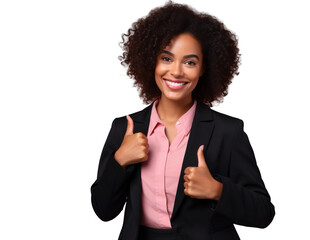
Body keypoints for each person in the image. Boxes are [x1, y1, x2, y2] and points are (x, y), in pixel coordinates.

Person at [91, 2, 275, 239]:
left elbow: (263, 213)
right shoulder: (125, 128)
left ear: (203, 68)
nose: (176, 71)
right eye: (166, 58)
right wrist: (120, 161)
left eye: (189, 62)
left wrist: (217, 190)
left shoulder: (227, 132)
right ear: (150, 61)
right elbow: (103, 210)